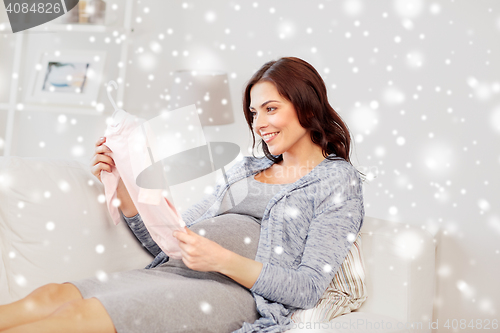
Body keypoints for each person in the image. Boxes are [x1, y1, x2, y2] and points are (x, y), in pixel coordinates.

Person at [0, 57, 365, 333]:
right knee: (51, 297)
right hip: (171, 274)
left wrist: (220, 259)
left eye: (271, 109)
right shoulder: (245, 169)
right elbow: (170, 241)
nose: (259, 124)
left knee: (81, 318)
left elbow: (306, 288)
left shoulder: (336, 180)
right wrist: (123, 186)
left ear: (306, 104)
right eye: (254, 113)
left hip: (232, 293)